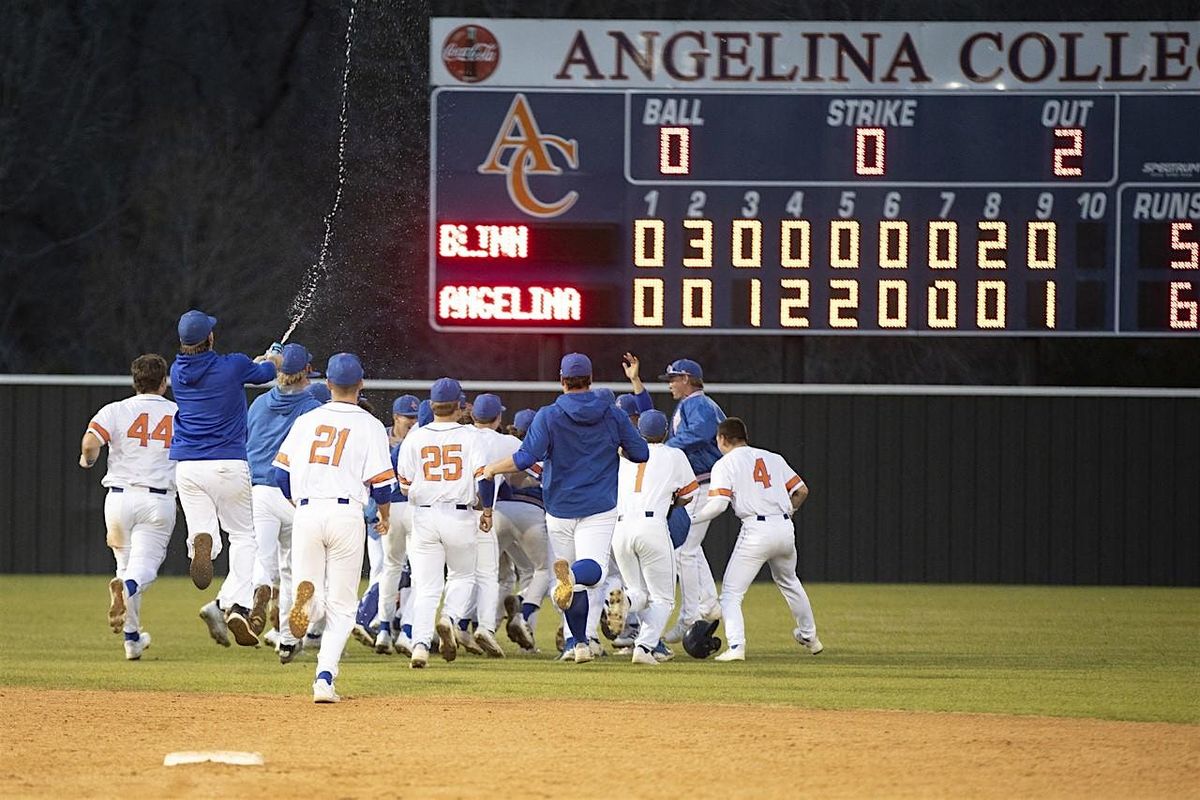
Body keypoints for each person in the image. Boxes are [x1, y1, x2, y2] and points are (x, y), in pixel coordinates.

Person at [482, 353, 648, 664]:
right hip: (599, 505)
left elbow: (524, 458)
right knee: (592, 572)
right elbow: (640, 453)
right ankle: (578, 635)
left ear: (562, 381)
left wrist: (492, 468)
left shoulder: (549, 414)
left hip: (559, 506)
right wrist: (616, 446)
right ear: (591, 380)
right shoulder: (612, 414)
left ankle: (579, 644)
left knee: (570, 582)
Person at [272, 353, 396, 702]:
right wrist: (383, 515)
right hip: (346, 514)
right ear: (361, 384)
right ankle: (324, 679)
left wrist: (300, 502)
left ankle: (308, 605)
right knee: (343, 606)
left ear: (327, 384)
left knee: (311, 589)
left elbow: (281, 475)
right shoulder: (369, 424)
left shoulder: (306, 420)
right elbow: (383, 486)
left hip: (308, 511)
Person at [169, 309, 280, 647]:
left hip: (187, 466)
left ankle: (201, 543)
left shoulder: (176, 371)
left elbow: (236, 371)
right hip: (227, 462)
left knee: (204, 528)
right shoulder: (232, 364)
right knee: (244, 537)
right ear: (210, 338)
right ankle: (239, 605)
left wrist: (252, 364)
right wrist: (272, 358)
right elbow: (263, 373)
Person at [689, 417, 822, 661]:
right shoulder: (773, 457)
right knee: (790, 582)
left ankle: (737, 647)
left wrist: (692, 519)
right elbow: (801, 491)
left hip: (756, 529)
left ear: (722, 439)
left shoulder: (725, 463)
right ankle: (810, 637)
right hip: (784, 526)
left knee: (730, 594)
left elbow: (718, 504)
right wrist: (787, 512)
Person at [79, 354, 178, 660]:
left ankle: (132, 640)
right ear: (163, 382)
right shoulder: (178, 412)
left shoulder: (116, 410)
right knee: (142, 569)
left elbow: (90, 444)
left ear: (135, 381)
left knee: (124, 568)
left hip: (119, 499)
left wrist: (87, 461)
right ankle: (128, 590)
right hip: (157, 500)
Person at [624, 353, 726, 641]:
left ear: (686, 379)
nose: (669, 384)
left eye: (673, 378)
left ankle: (691, 616)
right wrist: (637, 383)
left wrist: (663, 446)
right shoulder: (690, 404)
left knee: (684, 551)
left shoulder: (699, 404)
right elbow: (651, 419)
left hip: (703, 482)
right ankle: (708, 604)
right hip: (701, 481)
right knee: (690, 548)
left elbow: (700, 433)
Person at [396, 377, 495, 668]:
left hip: (424, 514)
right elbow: (484, 478)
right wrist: (486, 510)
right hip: (460, 513)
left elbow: (404, 485)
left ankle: (420, 646)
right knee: (463, 577)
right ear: (460, 406)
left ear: (431, 405)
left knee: (426, 587)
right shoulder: (470, 435)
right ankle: (449, 617)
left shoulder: (415, 436)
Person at [245, 343, 322, 660]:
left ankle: (257, 589)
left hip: (259, 491)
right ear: (306, 371)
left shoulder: (260, 404)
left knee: (261, 560)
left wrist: (266, 363)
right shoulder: (313, 408)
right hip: (293, 493)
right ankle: (288, 640)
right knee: (294, 570)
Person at [605, 410, 698, 665]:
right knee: (664, 598)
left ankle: (624, 602)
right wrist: (670, 501)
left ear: (638, 432)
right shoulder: (674, 454)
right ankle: (644, 648)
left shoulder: (623, 456)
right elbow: (689, 493)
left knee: (638, 592)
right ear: (666, 431)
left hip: (621, 527)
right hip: (652, 526)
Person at [462, 393, 520, 657]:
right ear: (498, 418)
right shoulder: (506, 441)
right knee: (487, 575)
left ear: (473, 415)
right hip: (482, 513)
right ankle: (484, 627)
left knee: (457, 577)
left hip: (448, 512)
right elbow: (536, 469)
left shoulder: (459, 434)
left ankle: (453, 622)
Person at [372, 394, 420, 655]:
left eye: (415, 417)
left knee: (393, 569)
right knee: (416, 572)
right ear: (395, 416)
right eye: (407, 417)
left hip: (392, 506)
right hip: (407, 507)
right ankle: (405, 631)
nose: (412, 421)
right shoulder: (424, 438)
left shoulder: (396, 441)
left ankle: (385, 630)